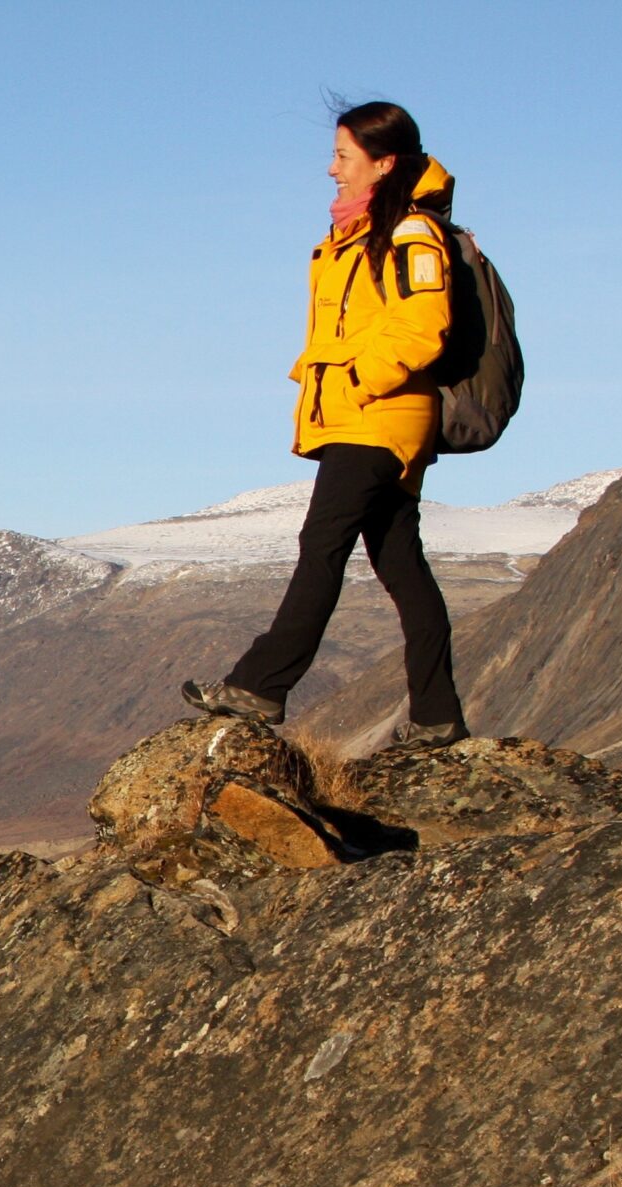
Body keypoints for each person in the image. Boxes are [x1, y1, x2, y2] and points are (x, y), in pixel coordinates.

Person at [184, 100, 469, 749]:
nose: (331, 168)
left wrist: (356, 380)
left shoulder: (410, 235)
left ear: (383, 162)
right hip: (360, 415)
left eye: (343, 156)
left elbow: (423, 328)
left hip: (380, 416)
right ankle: (437, 711)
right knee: (401, 565)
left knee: (323, 545)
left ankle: (261, 685)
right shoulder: (356, 235)